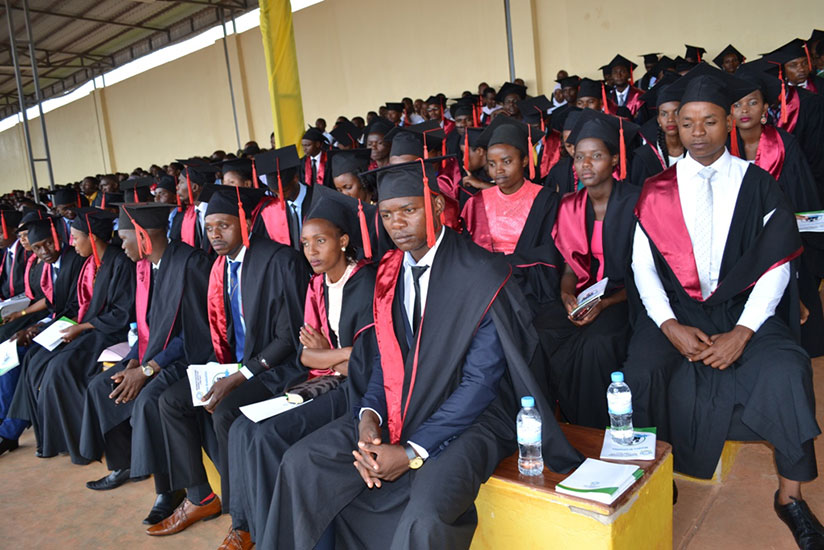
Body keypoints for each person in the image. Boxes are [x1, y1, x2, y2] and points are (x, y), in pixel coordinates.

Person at [261, 158, 581, 550]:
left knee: (426, 517)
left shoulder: (481, 274)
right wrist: (369, 417)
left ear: (435, 206)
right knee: (302, 464)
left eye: (408, 211)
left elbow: (480, 384)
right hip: (400, 403)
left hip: (473, 417)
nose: (397, 224)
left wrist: (411, 451)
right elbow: (385, 360)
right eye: (388, 214)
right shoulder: (388, 273)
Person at [624, 68, 823, 549]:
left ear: (728, 119)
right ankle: (654, 471)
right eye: (687, 122)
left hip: (743, 308)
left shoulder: (758, 184)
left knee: (787, 369)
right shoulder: (656, 190)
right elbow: (642, 266)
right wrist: (668, 324)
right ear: (675, 125)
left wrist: (745, 331)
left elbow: (777, 265)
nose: (698, 133)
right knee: (639, 374)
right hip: (678, 310)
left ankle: (790, 498)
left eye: (709, 121)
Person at [147, 186, 309, 537]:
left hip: (277, 367)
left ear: (246, 222)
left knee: (225, 411)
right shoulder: (220, 267)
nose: (215, 235)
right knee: (171, 402)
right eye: (209, 228)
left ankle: (244, 522)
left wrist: (239, 376)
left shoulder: (280, 260)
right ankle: (200, 495)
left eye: (224, 225)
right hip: (235, 364)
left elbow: (288, 338)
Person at [222, 188, 377, 548]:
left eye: (320, 241)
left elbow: (364, 359)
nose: (311, 251)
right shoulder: (314, 286)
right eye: (305, 243)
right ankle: (260, 532)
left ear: (343, 240)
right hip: (322, 380)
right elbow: (307, 356)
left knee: (267, 437)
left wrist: (333, 353)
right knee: (244, 428)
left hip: (354, 389)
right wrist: (337, 353)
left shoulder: (366, 283)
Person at [79, 203, 211, 527]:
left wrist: (148, 369)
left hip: (189, 357)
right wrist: (136, 359)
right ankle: (125, 465)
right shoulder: (148, 267)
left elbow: (194, 336)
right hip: (155, 355)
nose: (120, 246)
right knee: (101, 385)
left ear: (143, 236)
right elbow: (150, 325)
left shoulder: (188, 264)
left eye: (124, 238)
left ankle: (172, 490)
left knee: (150, 401)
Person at [8, 208, 134, 463]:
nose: (72, 243)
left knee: (60, 369)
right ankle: (55, 439)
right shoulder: (91, 263)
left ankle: (82, 445)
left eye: (76, 237)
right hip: (90, 329)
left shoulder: (119, 262)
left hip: (108, 333)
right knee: (36, 359)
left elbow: (121, 313)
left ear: (93, 237)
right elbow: (77, 305)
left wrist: (83, 328)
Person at [546, 109, 639, 428]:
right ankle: (566, 424)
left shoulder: (637, 203)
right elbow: (571, 266)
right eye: (580, 157)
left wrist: (607, 303)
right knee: (542, 331)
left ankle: (597, 429)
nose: (585, 165)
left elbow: (649, 276)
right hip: (588, 296)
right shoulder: (570, 205)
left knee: (595, 344)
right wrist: (567, 294)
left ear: (614, 159)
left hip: (630, 299)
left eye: (596, 156)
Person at [731, 64, 824, 357]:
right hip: (739, 244)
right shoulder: (722, 150)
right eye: (736, 103)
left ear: (766, 108)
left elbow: (804, 198)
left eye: (753, 102)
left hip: (787, 240)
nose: (744, 109)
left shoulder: (785, 145)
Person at [462, 116, 562, 319]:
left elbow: (551, 253)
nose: (498, 170)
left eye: (507, 162)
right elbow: (467, 252)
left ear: (524, 160)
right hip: (486, 289)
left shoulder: (546, 200)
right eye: (492, 164)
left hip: (532, 290)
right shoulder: (477, 202)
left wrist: (508, 267)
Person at [250, 145, 314, 250]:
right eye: (275, 193)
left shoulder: (319, 200)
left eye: (284, 191)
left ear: (295, 178)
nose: (280, 197)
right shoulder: (270, 210)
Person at [631, 75, 685, 186]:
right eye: (664, 114)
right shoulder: (644, 157)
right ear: (658, 119)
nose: (670, 119)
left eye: (676, 112)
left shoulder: (698, 150)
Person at [169, 162, 219, 251]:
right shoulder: (183, 216)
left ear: (195, 187)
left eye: (181, 182)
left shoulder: (219, 212)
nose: (177, 187)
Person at [544, 107, 582, 195]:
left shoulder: (601, 167)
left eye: (577, 144)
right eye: (568, 146)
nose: (573, 151)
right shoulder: (558, 171)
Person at [0, 208, 30, 300]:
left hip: (23, 301)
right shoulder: (6, 251)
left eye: (0, 233)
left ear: (14, 231)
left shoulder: (27, 251)